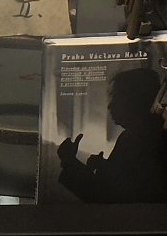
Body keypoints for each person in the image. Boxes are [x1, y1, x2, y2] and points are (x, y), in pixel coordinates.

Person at [56, 63, 167, 202]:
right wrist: (105, 167)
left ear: (134, 101)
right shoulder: (142, 138)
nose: (110, 105)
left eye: (116, 97)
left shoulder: (138, 141)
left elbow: (106, 197)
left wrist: (69, 160)